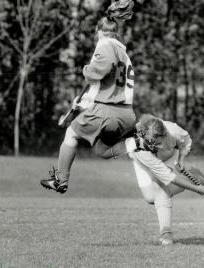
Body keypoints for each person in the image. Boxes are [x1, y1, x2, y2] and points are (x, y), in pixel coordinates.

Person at [40, 1, 136, 194]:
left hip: (107, 111)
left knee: (71, 133)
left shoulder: (105, 45)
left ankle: (60, 180)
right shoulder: (124, 53)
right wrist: (83, 103)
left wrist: (87, 70)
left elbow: (98, 71)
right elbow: (105, 86)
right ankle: (137, 143)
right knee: (102, 150)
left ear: (99, 31)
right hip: (126, 114)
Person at [108, 114, 204, 245]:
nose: (157, 146)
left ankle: (166, 234)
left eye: (159, 142)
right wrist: (196, 188)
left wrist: (181, 158)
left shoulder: (174, 131)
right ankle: (193, 178)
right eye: (153, 143)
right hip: (143, 161)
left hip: (168, 156)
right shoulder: (138, 148)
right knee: (151, 198)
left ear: (164, 134)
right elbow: (169, 178)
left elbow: (186, 141)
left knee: (160, 189)